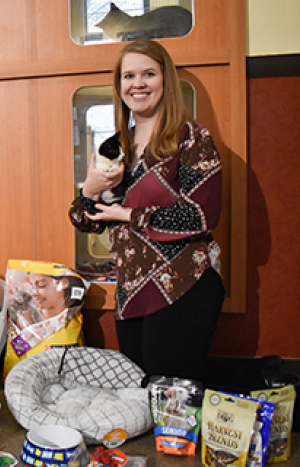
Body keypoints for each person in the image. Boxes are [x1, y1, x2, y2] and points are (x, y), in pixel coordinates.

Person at [69, 38, 225, 383]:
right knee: (141, 401)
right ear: (119, 85)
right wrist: (89, 190)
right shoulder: (115, 145)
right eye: (129, 76)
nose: (137, 84)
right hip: (131, 291)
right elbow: (85, 220)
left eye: (148, 74)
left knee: (171, 404)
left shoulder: (190, 138)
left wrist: (128, 215)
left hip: (183, 285)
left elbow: (201, 216)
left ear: (165, 81)